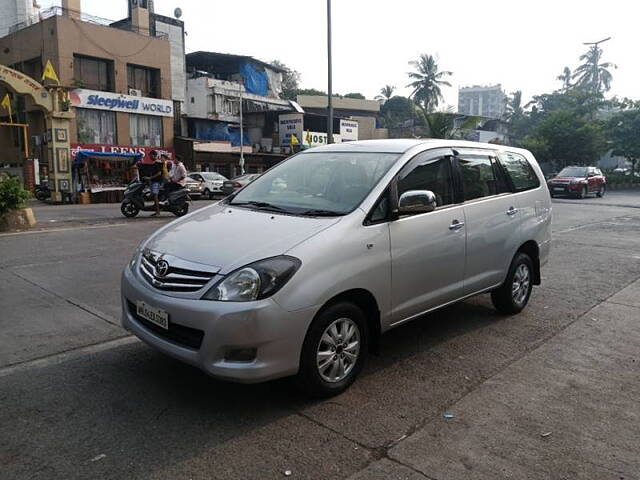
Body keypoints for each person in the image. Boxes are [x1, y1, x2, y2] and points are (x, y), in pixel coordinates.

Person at [145, 150, 163, 216]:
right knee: (153, 196)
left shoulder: (157, 163)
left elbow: (159, 173)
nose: (150, 157)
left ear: (154, 155)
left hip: (156, 182)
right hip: (153, 181)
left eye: (151, 156)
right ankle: (156, 210)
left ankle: (158, 212)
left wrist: (150, 178)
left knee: (155, 196)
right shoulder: (154, 163)